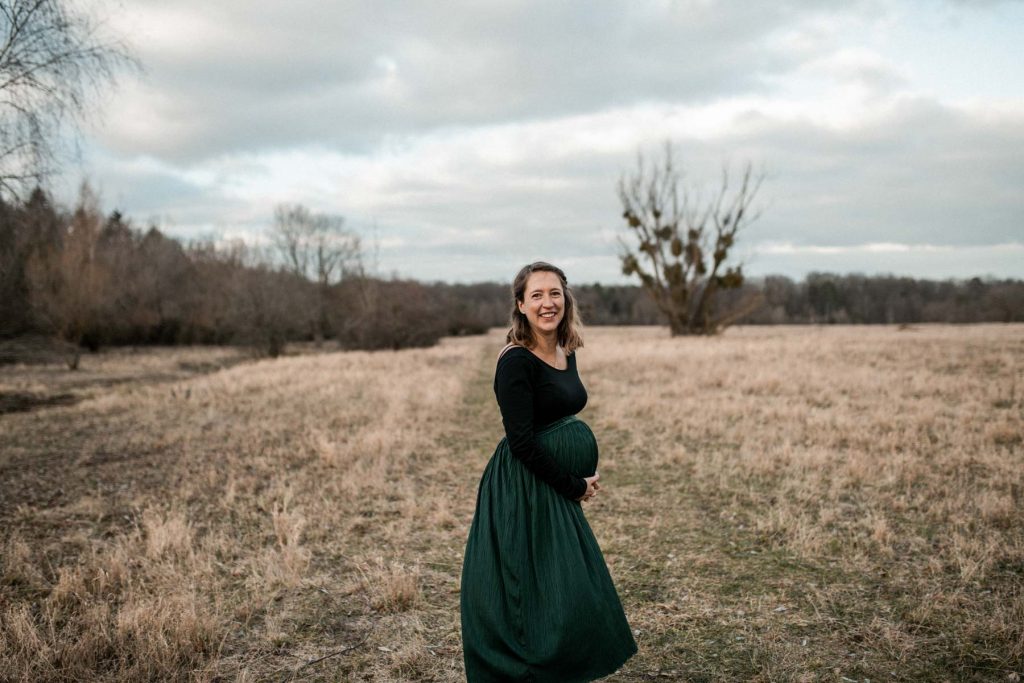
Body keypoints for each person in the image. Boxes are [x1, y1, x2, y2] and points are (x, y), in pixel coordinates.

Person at [460, 261, 637, 682]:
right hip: (524, 486)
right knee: (531, 587)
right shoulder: (515, 362)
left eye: (554, 293)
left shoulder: (565, 349)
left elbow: (561, 413)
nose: (547, 303)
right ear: (520, 305)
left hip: (553, 485)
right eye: (536, 295)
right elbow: (521, 443)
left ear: (566, 298)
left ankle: (566, 664)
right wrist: (573, 485)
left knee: (567, 581)